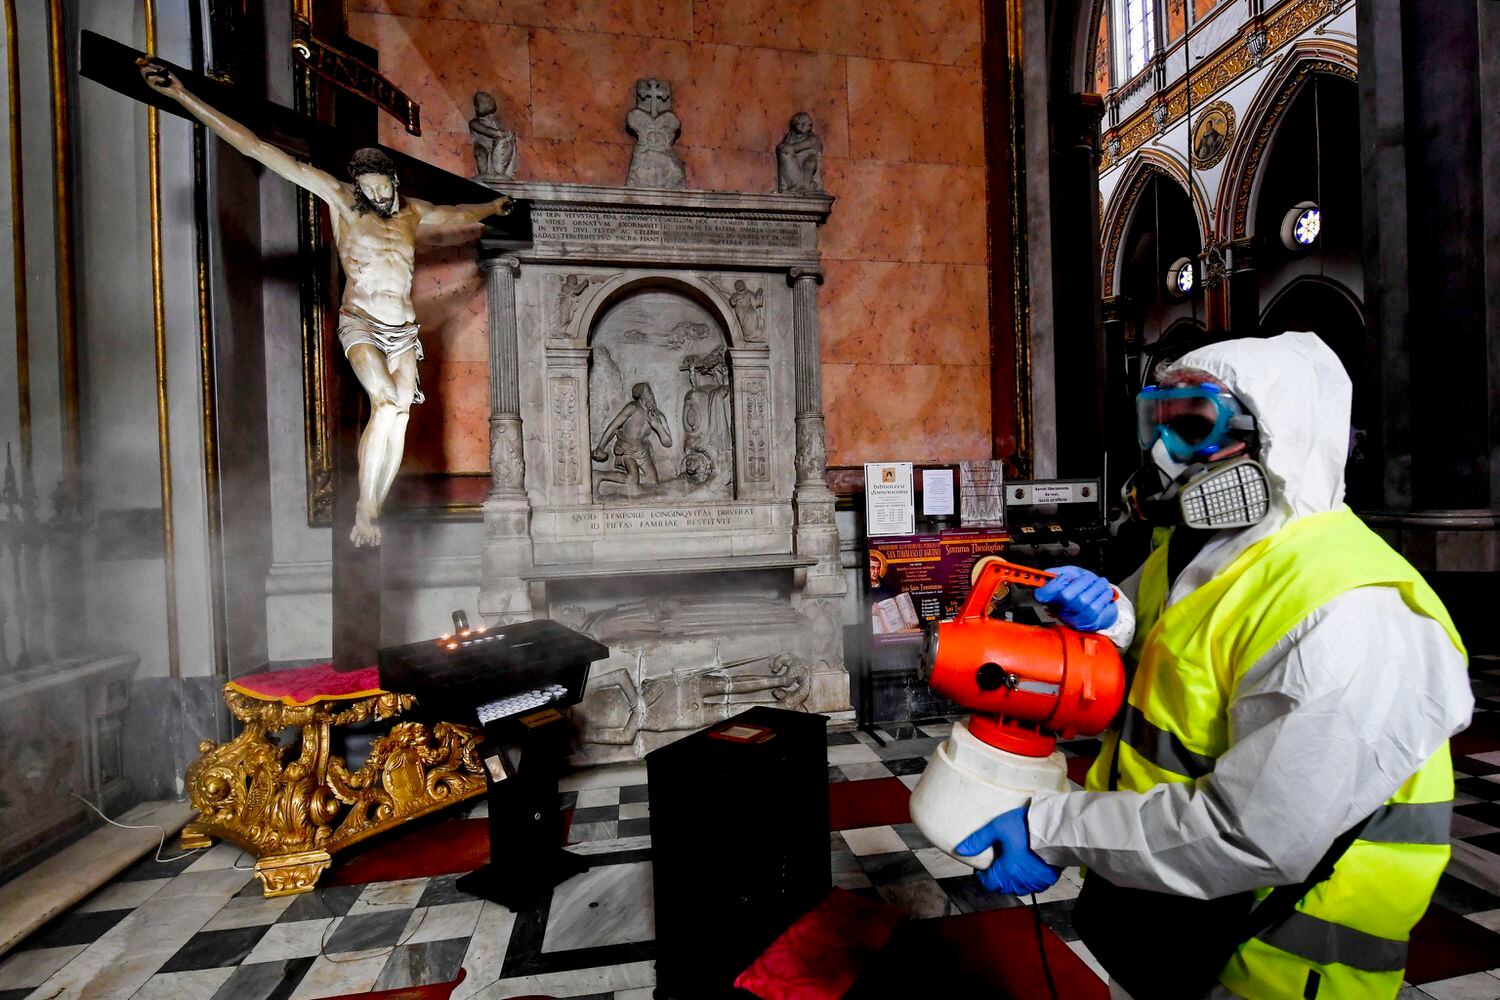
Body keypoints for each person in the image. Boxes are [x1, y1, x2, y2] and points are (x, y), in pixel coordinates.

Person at [955, 332, 1472, 999]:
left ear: (1275, 437)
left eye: (1194, 424)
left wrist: (1053, 830)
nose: (1165, 453)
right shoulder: (1195, 552)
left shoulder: (1350, 610)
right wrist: (1108, 618)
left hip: (1276, 963)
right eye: (1160, 422)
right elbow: (1170, 653)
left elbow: (1255, 832)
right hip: (1177, 926)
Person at [141, 59, 511, 547]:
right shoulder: (339, 200)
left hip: (404, 330)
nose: (377, 196)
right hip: (360, 323)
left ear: (394, 183)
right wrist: (183, 96)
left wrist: (492, 206)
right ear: (357, 186)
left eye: (383, 187)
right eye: (369, 189)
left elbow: (455, 212)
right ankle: (365, 509)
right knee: (382, 400)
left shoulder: (411, 213)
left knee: (398, 413)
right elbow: (260, 148)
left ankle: (373, 506)